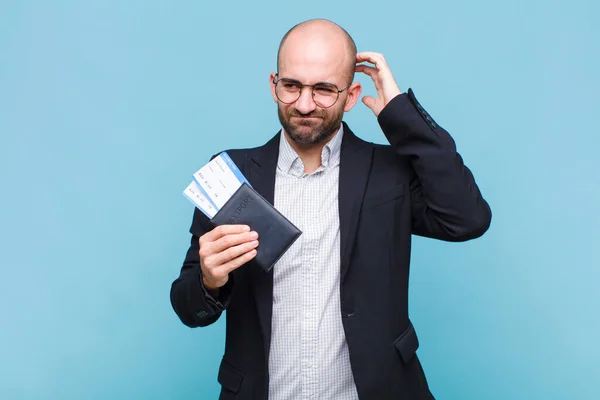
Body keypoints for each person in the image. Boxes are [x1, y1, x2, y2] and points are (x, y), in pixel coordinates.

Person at [170, 18, 491, 400]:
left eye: (323, 90)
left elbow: (467, 218)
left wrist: (400, 115)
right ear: (274, 85)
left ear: (351, 96)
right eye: (291, 86)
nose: (304, 104)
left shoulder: (389, 172)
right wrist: (209, 279)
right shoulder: (230, 173)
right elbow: (189, 308)